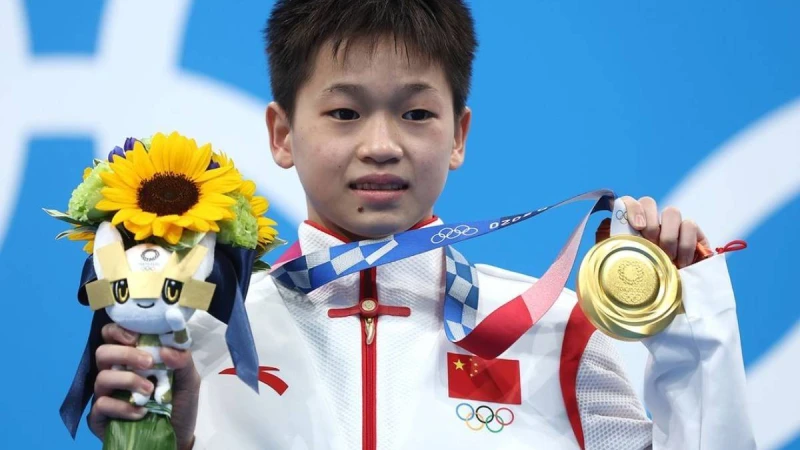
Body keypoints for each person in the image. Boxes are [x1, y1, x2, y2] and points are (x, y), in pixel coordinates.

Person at [87, 1, 755, 449]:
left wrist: (687, 329)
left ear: (458, 135)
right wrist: (166, 439)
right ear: (282, 133)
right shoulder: (206, 338)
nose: (381, 145)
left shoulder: (555, 331)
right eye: (344, 114)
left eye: (416, 114)